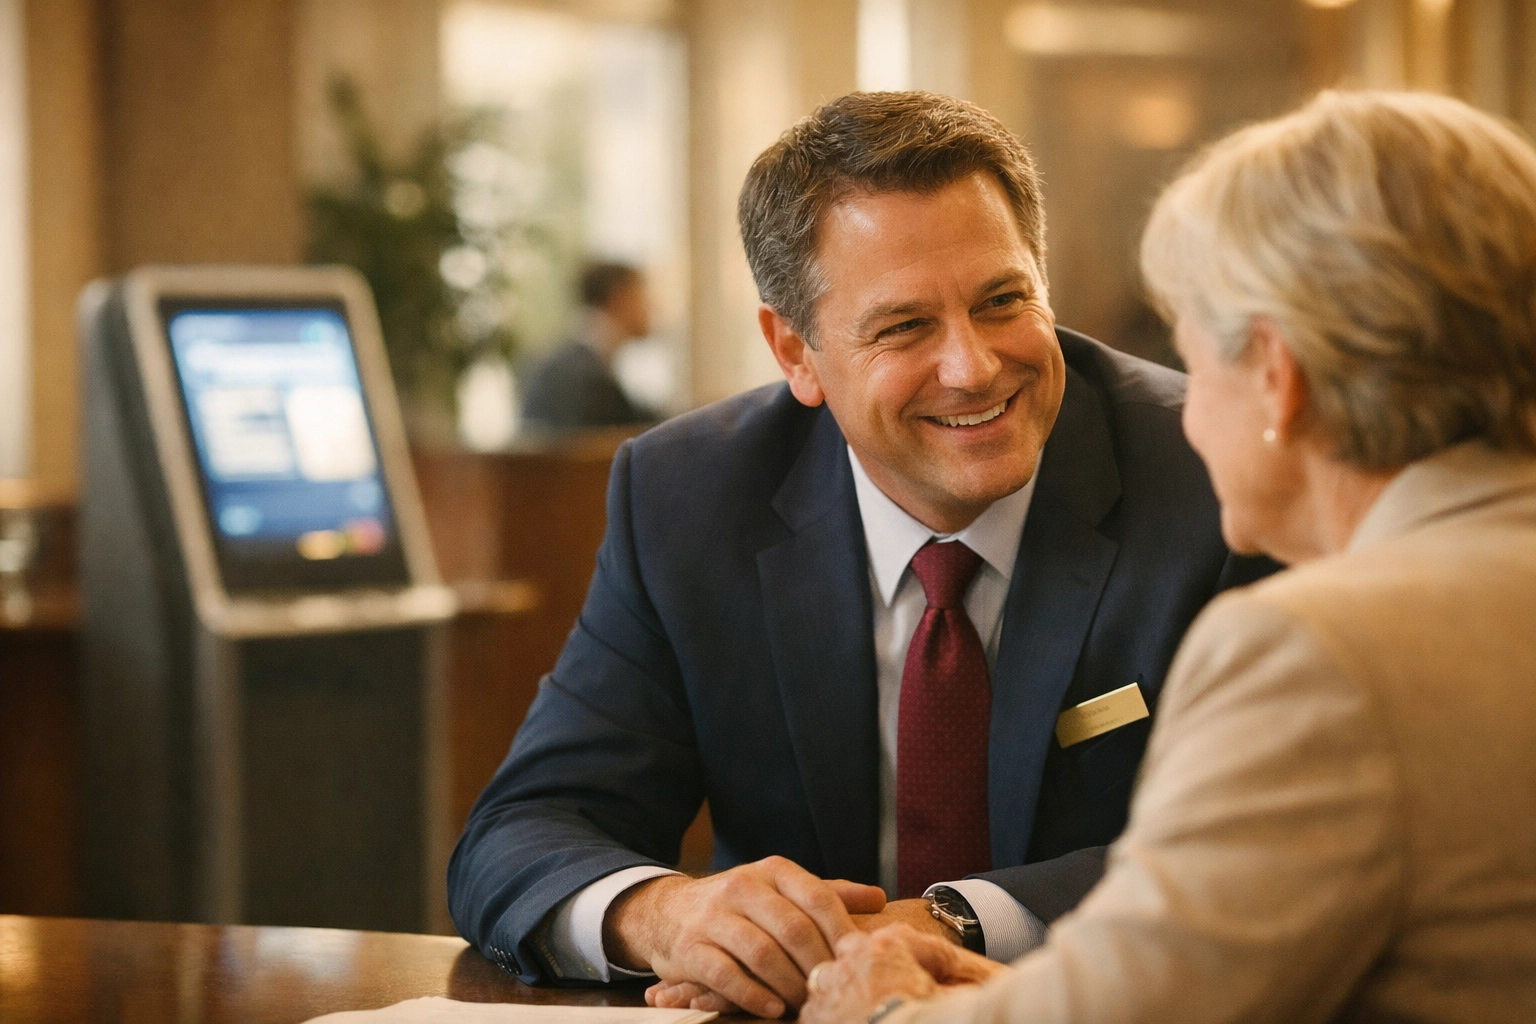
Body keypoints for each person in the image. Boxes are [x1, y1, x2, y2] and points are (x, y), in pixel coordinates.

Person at [449, 92, 1271, 1017]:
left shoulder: (1212, 471)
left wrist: (953, 922)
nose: (973, 367)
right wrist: (667, 914)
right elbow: (520, 831)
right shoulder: (687, 498)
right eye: (904, 327)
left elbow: (1269, 845)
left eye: (1003, 301)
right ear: (795, 350)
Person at [798, 90, 1536, 1024]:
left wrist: (881, 1007)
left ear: (1278, 378)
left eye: (1192, 357)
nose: (1182, 411)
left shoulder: (1320, 651)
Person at [521, 261, 655, 431]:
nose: (651, 308)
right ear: (619, 298)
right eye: (643, 297)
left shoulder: (556, 366)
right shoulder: (591, 382)